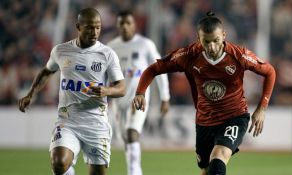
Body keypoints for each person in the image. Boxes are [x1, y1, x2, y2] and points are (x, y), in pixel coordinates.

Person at [133, 12, 276, 175]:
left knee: (219, 156)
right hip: (204, 122)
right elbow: (153, 69)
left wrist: (262, 108)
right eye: (206, 42)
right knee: (206, 169)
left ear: (223, 35)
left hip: (234, 116)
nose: (212, 47)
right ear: (198, 38)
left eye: (216, 41)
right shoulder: (188, 56)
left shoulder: (239, 55)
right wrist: (140, 92)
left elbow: (270, 71)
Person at [18, 8, 126, 175]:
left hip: (96, 123)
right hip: (68, 121)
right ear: (78, 26)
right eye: (90, 27)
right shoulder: (61, 51)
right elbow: (46, 71)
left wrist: (107, 90)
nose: (95, 32)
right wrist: (31, 94)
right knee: (59, 164)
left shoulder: (107, 54)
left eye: (98, 27)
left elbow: (121, 88)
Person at [107, 10, 170, 175]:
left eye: (128, 23)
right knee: (126, 139)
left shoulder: (145, 45)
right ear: (117, 25)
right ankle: (133, 169)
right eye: (122, 23)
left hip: (138, 98)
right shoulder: (111, 47)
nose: (125, 27)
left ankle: (135, 172)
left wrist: (165, 97)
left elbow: (159, 69)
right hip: (118, 100)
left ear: (134, 25)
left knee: (132, 133)